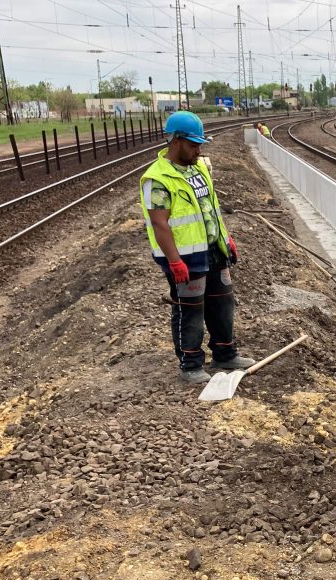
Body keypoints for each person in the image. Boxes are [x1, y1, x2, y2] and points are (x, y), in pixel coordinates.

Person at [139, 111, 254, 384]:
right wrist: (174, 260)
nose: (198, 149)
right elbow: (160, 224)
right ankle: (190, 364)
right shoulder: (157, 179)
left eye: (200, 144)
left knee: (222, 302)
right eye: (193, 144)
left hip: (213, 250)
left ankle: (225, 354)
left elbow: (210, 209)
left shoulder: (198, 168)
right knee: (190, 309)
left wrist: (226, 239)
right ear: (176, 141)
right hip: (186, 258)